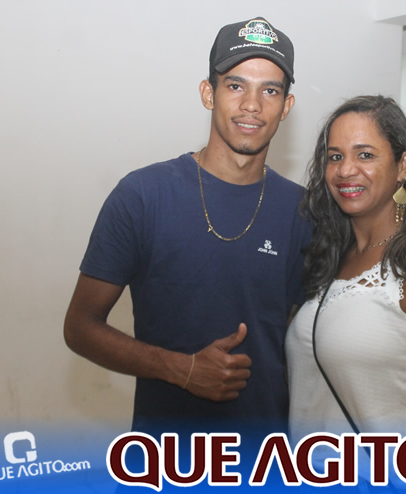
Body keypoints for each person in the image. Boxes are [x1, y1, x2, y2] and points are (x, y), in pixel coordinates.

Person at [64, 17, 311, 445]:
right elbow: (80, 327)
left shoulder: (302, 212)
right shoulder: (143, 196)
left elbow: (300, 340)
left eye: (270, 90)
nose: (252, 104)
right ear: (208, 93)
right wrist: (182, 369)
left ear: (286, 106)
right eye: (236, 85)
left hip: (267, 460)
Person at [286, 95, 406, 479]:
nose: (346, 170)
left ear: (403, 165)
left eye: (365, 155)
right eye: (335, 156)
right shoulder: (328, 258)